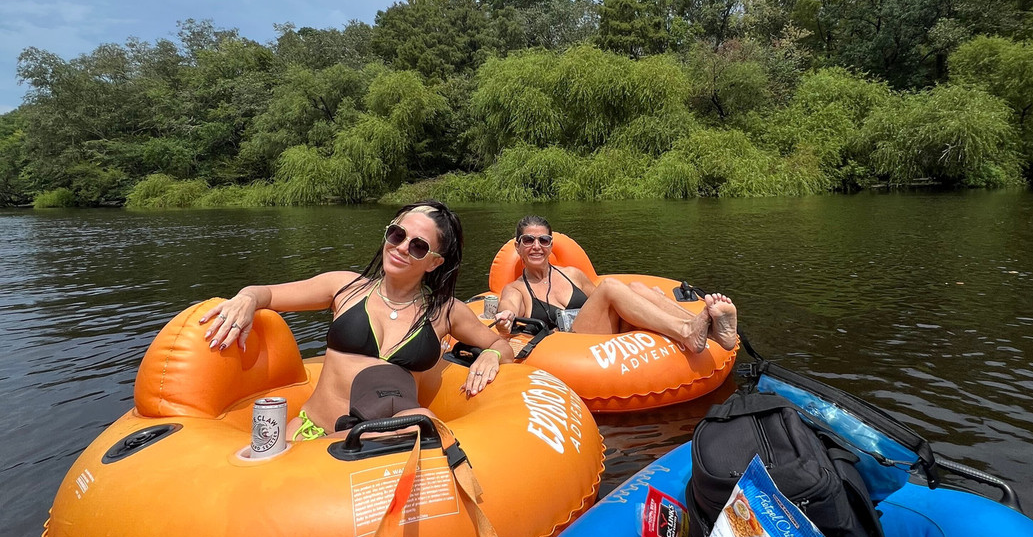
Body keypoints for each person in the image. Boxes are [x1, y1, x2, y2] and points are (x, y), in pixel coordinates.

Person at [199, 201, 513, 441]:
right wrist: (246, 298)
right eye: (397, 234)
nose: (401, 247)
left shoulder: (445, 311)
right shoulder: (344, 287)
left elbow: (501, 343)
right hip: (315, 436)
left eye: (418, 246)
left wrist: (492, 354)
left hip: (387, 440)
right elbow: (266, 293)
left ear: (433, 262)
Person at [493, 215, 738, 353]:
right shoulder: (516, 289)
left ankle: (710, 330)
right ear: (518, 246)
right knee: (610, 287)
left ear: (550, 245)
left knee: (637, 289)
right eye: (528, 240)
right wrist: (506, 318)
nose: (536, 246)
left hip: (602, 332)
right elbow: (509, 308)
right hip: (572, 345)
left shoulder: (572, 274)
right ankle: (686, 331)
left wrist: (643, 298)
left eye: (543, 240)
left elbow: (602, 303)